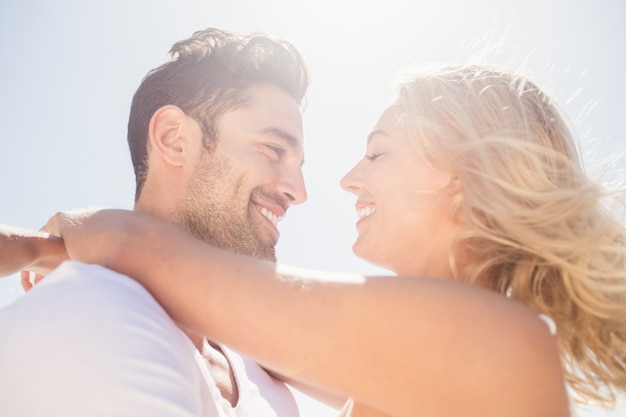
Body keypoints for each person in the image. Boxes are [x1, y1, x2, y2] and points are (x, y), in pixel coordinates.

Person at [4, 64, 626, 417]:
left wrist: (49, 242)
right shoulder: (444, 355)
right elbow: (245, 327)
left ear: (466, 182)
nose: (346, 180)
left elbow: (155, 254)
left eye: (377, 153)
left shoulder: (499, 344)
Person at [0, 27, 318, 416]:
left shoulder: (262, 372)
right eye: (273, 149)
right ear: (173, 138)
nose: (299, 191)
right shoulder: (91, 318)